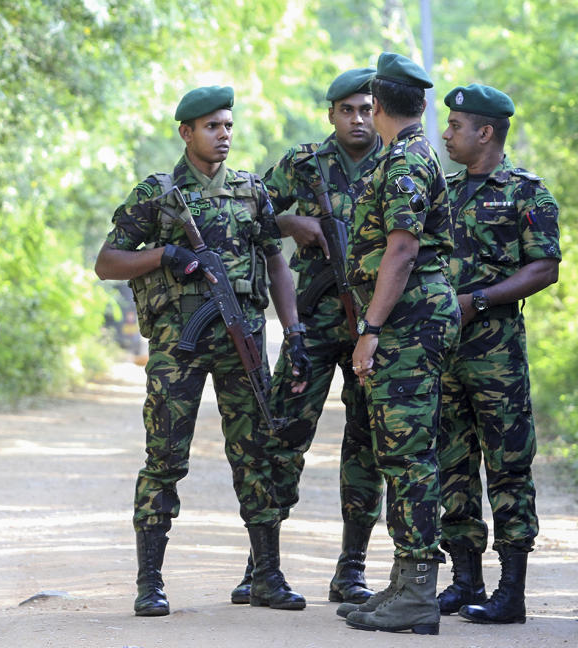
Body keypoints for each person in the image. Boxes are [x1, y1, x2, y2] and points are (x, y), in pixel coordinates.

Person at [94, 86, 311, 617]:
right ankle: (150, 582)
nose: (224, 136)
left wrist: (295, 330)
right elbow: (108, 262)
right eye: (213, 126)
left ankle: (266, 575)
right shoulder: (158, 194)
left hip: (244, 342)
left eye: (229, 126)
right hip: (179, 345)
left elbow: (276, 262)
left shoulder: (251, 190)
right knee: (165, 457)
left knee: (257, 451)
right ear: (186, 132)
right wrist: (165, 254)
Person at [228, 68, 385, 607]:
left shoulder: (398, 163)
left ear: (378, 110)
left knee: (366, 444)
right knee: (282, 437)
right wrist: (290, 222)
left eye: (367, 109)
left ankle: (351, 569)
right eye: (348, 110)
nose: (358, 119)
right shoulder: (303, 163)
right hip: (315, 322)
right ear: (331, 115)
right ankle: (260, 566)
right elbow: (249, 218)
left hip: (374, 324)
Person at [338, 52, 460, 635]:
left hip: (408, 323)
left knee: (408, 457)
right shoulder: (403, 154)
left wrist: (371, 330)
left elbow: (403, 249)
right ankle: (403, 582)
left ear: (378, 106)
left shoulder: (407, 161)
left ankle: (417, 593)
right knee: (398, 453)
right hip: (412, 320)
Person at [435, 84, 560, 624]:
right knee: (452, 466)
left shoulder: (528, 194)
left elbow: (545, 267)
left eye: (456, 126)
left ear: (485, 131)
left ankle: (511, 592)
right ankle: (465, 581)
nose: (446, 134)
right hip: (444, 354)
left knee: (508, 468)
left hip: (497, 357)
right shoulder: (443, 191)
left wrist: (479, 299)